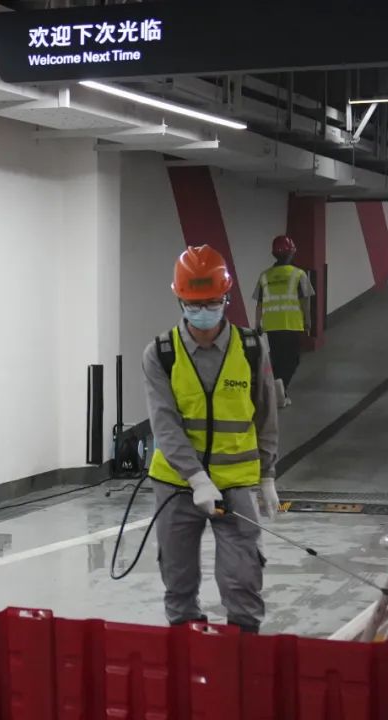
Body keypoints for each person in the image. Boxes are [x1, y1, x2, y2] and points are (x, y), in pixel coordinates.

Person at [143, 245, 279, 633]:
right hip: (176, 484)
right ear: (180, 301)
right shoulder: (160, 354)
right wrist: (196, 479)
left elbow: (266, 415)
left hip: (235, 483)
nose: (204, 311)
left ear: (226, 298)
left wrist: (267, 474)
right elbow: (165, 425)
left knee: (243, 578)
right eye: (194, 303)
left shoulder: (251, 348)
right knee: (178, 581)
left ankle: (243, 652)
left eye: (212, 302)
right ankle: (187, 649)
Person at [253, 235, 314, 407]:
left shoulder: (265, 276)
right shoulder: (299, 274)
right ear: (292, 253)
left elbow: (259, 303)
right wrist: (308, 321)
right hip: (291, 324)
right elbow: (305, 301)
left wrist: (257, 323)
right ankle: (279, 393)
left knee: (278, 360)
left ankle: (276, 393)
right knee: (292, 360)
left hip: (272, 326)